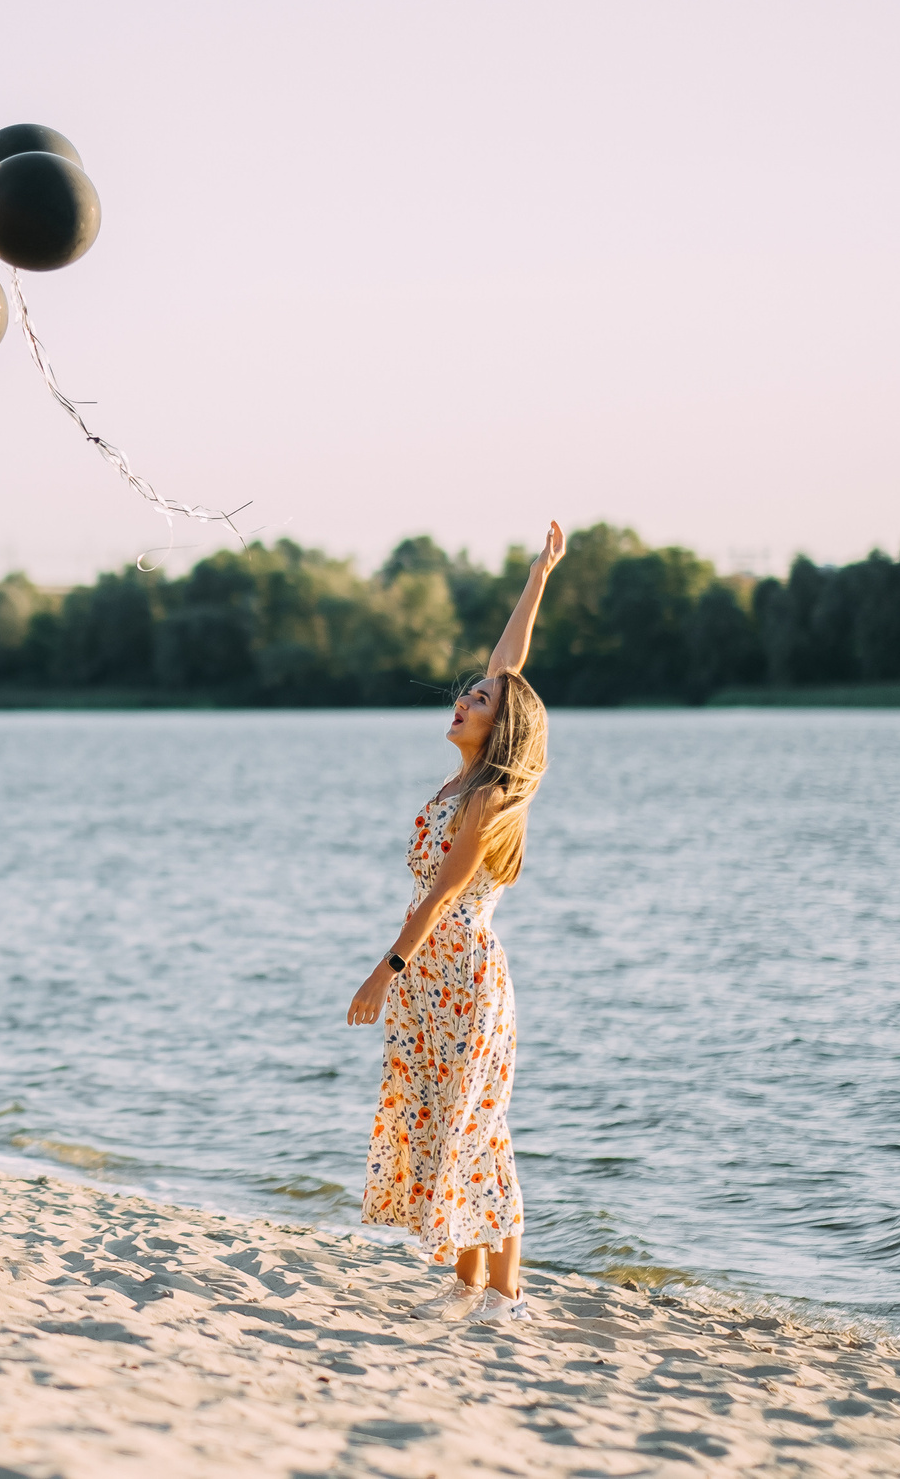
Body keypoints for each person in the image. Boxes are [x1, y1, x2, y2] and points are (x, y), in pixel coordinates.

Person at [348, 520, 565, 1323]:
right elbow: (509, 664)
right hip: (431, 979)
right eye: (466, 691)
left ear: (499, 726)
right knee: (444, 1122)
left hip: (463, 977)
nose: (465, 699)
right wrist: (537, 578)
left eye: (478, 699)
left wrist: (384, 970)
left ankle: (508, 1294)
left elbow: (442, 894)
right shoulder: (459, 782)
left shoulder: (489, 797)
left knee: (479, 1128)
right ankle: (469, 1283)